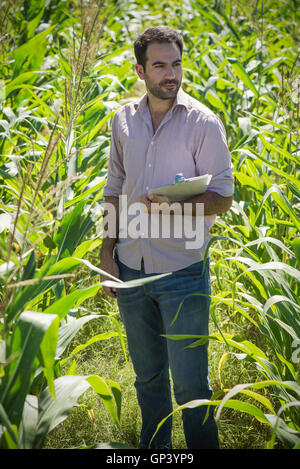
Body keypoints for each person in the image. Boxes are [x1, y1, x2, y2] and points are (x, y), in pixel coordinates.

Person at [100, 26, 234, 449]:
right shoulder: (123, 119)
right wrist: (106, 256)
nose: (170, 74)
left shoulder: (202, 122)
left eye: (175, 63)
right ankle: (154, 452)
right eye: (159, 66)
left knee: (191, 387)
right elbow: (113, 189)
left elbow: (223, 198)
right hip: (132, 267)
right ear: (140, 70)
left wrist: (172, 207)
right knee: (148, 379)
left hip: (182, 270)